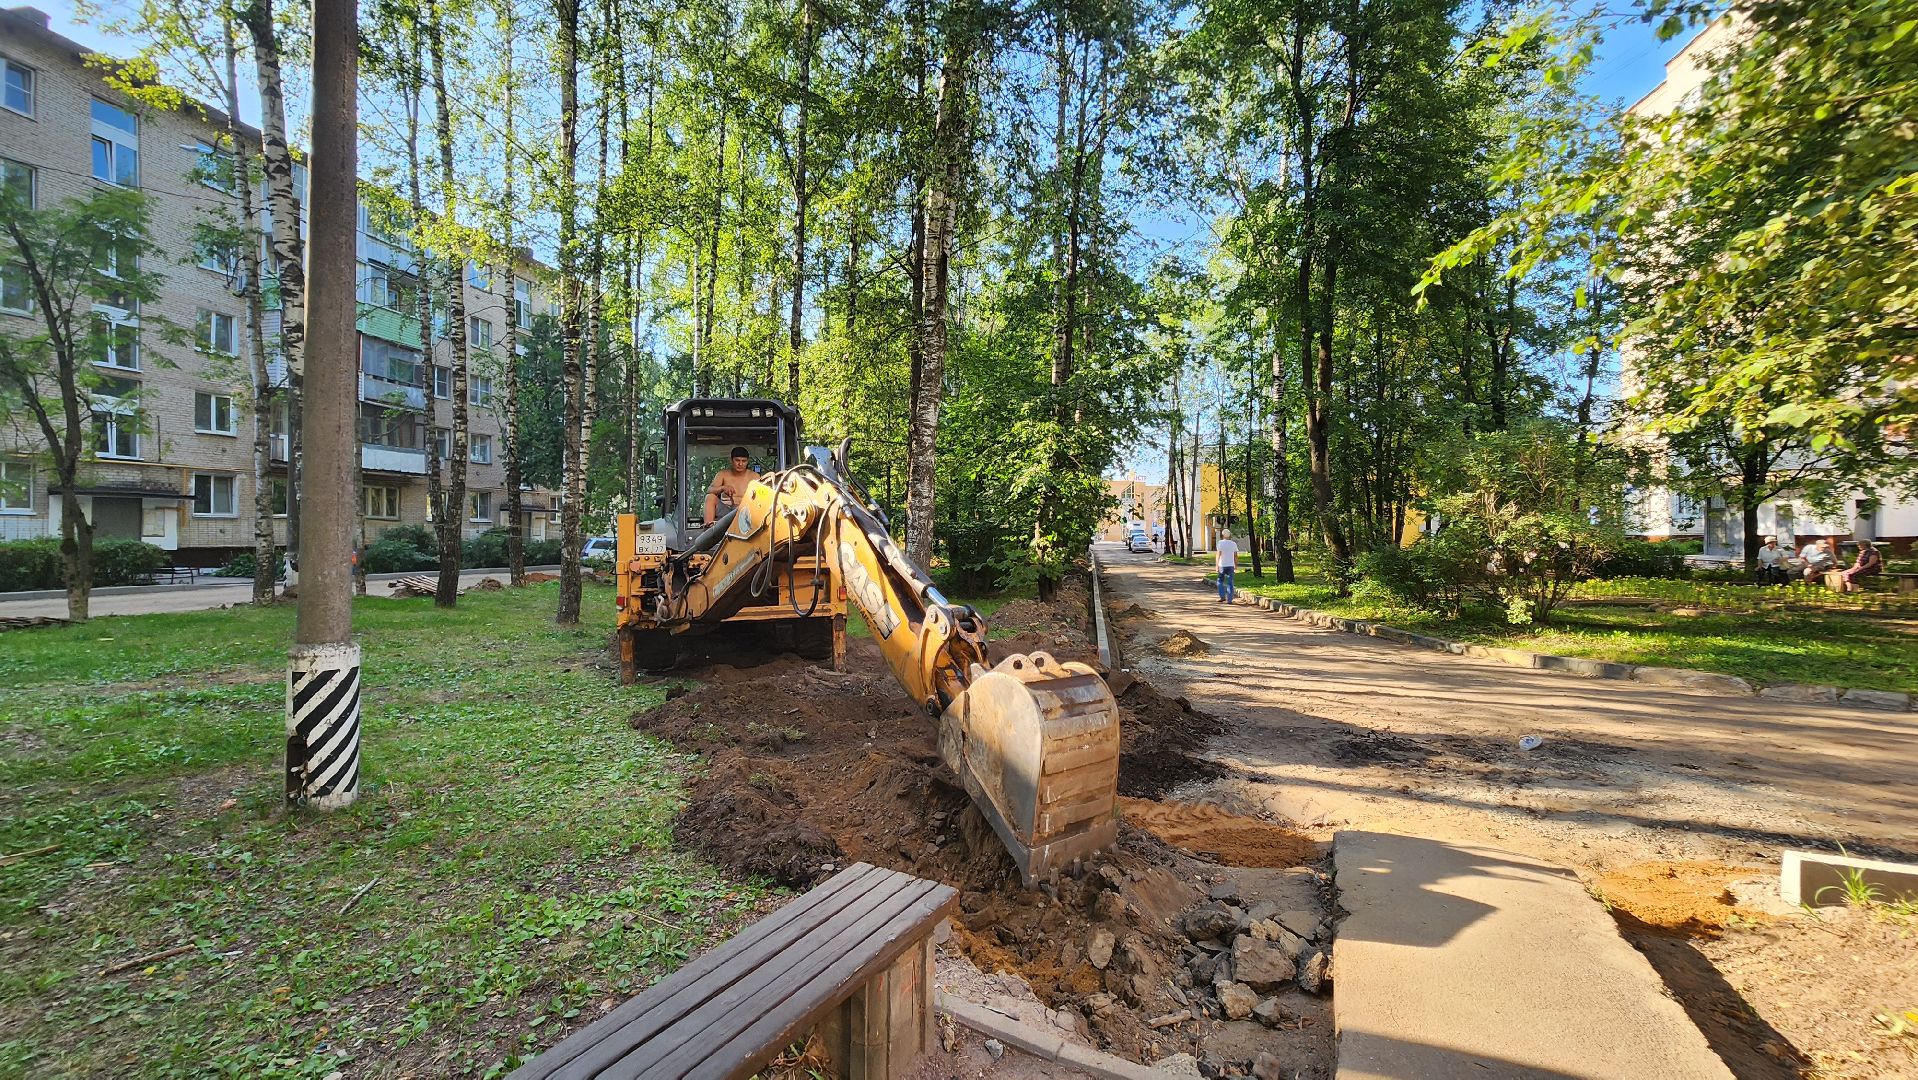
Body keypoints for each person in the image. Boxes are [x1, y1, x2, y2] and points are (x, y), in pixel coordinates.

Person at [702, 446, 757, 522]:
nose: (740, 464)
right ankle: (708, 528)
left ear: (747, 461)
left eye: (743, 461)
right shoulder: (722, 474)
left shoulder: (754, 476)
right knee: (709, 497)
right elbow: (709, 490)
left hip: (746, 513)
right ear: (731, 460)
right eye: (737, 460)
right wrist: (723, 488)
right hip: (726, 512)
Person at [1215, 528, 1239, 603]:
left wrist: (1216, 565)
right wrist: (1236, 565)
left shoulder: (1220, 543)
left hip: (1222, 565)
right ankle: (1230, 599)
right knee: (1230, 583)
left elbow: (1218, 554)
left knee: (1220, 581)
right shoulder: (1233, 544)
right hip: (1230, 565)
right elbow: (1235, 556)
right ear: (1229, 535)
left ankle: (1222, 596)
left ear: (1222, 535)